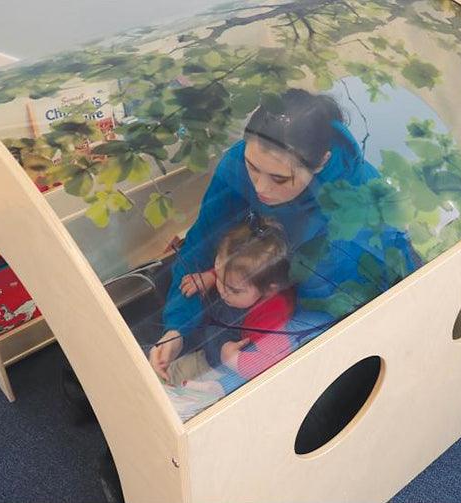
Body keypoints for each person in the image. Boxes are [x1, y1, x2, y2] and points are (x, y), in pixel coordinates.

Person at [149, 88, 418, 380]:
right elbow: (202, 243)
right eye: (253, 168)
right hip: (265, 273)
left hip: (332, 298)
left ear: (321, 162)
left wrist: (237, 372)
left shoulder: (352, 216)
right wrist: (177, 329)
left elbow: (324, 317)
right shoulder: (242, 160)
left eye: (279, 179)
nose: (260, 187)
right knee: (167, 283)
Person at [159, 215, 295, 396]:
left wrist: (234, 359)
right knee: (160, 378)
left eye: (233, 290)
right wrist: (211, 276)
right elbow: (230, 271)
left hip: (227, 373)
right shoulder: (239, 274)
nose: (222, 291)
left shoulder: (270, 313)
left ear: (269, 289)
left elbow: (276, 361)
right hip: (207, 350)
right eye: (220, 278)